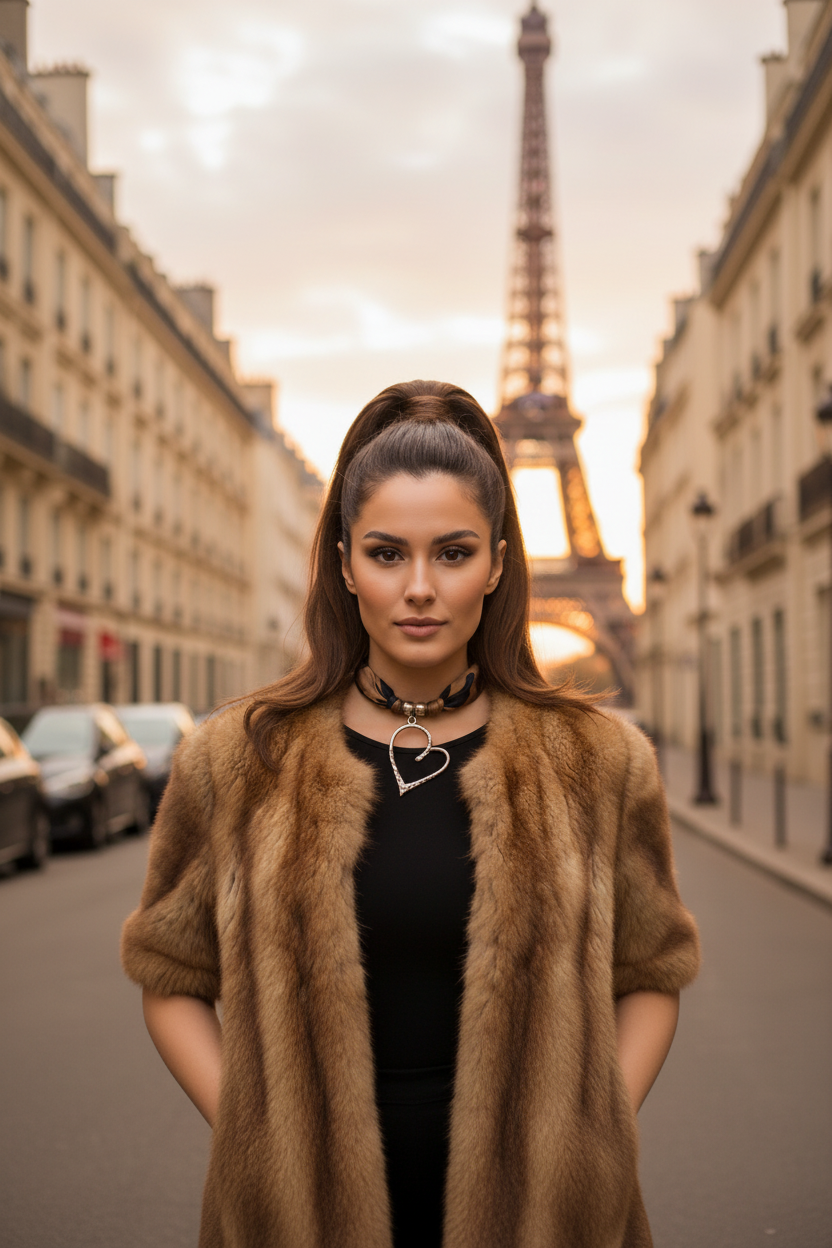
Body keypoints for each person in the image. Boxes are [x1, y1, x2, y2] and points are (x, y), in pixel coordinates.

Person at [121, 379, 700, 1248]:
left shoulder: (598, 763)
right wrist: (260, 1140)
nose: (420, 587)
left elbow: (651, 970)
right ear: (345, 562)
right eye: (388, 554)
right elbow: (171, 974)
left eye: (454, 553)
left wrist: (591, 1140)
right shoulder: (239, 761)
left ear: (499, 564)